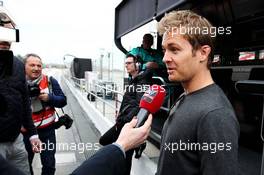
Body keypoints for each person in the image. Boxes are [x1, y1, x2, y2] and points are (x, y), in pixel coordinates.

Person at [0, 7, 41, 175]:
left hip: (16, 141)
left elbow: (24, 101)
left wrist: (33, 135)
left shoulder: (17, 65)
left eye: (8, 32)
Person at [99, 54, 153, 175]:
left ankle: (138, 145)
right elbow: (130, 102)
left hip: (129, 125)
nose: (126, 65)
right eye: (125, 63)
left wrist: (124, 120)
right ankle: (139, 145)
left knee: (126, 159)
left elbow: (140, 106)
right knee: (105, 140)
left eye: (129, 63)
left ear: (137, 65)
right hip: (122, 122)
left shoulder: (142, 81)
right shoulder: (133, 79)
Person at [22, 53, 67, 175]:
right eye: (32, 65)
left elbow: (63, 101)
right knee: (25, 165)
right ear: (24, 66)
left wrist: (49, 98)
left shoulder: (50, 81)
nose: (36, 68)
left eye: (39, 65)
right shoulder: (17, 83)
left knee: (49, 165)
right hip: (25, 134)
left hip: (47, 133)